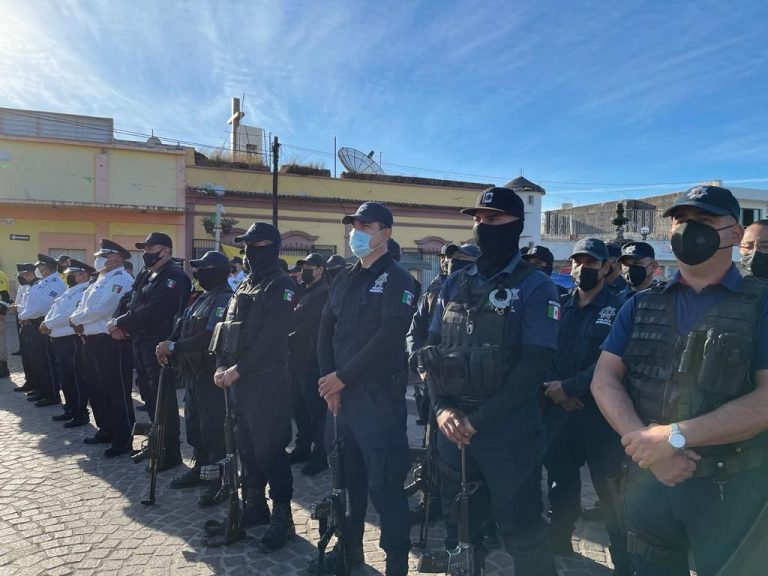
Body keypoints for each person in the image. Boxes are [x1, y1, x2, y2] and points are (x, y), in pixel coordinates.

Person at [592, 185, 768, 575]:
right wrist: (645, 447)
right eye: (681, 220)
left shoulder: (762, 304)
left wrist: (671, 437)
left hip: (731, 491)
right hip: (650, 483)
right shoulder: (639, 304)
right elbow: (604, 380)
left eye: (704, 221)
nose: (689, 229)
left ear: (736, 235)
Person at [425, 186, 560, 575]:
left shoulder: (536, 286)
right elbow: (430, 352)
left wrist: (476, 422)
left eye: (495, 219)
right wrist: (440, 408)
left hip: (508, 434)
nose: (483, 226)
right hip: (453, 432)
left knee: (523, 531)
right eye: (479, 219)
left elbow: (533, 367)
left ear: (516, 226)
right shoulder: (453, 283)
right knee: (461, 531)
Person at [314, 202, 415, 576]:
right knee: (346, 482)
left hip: (378, 402)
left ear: (384, 233)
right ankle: (349, 555)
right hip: (341, 402)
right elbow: (325, 331)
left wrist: (344, 378)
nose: (356, 232)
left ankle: (397, 564)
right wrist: (330, 383)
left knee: (386, 488)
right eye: (353, 225)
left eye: (364, 225)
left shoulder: (400, 279)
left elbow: (389, 337)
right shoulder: (344, 277)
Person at [541, 238, 630, 573]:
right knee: (560, 481)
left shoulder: (620, 307)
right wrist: (554, 387)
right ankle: (559, 539)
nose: (582, 268)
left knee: (611, 491)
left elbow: (613, 361)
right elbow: (542, 347)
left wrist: (570, 386)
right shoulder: (558, 303)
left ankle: (623, 558)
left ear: (607, 267)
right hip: (559, 410)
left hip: (599, 415)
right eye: (577, 261)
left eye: (590, 262)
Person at [213, 222, 297, 551]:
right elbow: (227, 328)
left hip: (267, 382)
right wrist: (221, 364)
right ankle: (255, 506)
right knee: (245, 447)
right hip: (238, 382)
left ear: (271, 247)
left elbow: (273, 339)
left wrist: (238, 369)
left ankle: (282, 516)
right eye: (245, 245)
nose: (247, 251)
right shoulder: (246, 283)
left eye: (254, 244)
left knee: (270, 451)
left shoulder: (282, 285)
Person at [157, 251, 232, 506]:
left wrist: (175, 348)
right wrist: (169, 343)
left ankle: (218, 480)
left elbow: (209, 337)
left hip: (210, 374)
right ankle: (200, 468)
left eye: (203, 269)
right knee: (194, 425)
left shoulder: (224, 299)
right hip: (192, 372)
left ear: (217, 272)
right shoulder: (201, 298)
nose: (197, 273)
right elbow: (183, 328)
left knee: (213, 430)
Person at [110, 232, 190, 468]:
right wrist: (118, 321)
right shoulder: (148, 273)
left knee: (162, 399)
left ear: (164, 250)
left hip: (158, 345)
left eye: (150, 248)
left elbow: (156, 309)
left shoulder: (174, 276)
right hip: (140, 341)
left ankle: (170, 452)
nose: (146, 253)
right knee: (148, 395)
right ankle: (156, 443)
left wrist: (122, 323)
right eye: (144, 249)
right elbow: (129, 299)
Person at [70, 240, 136, 455]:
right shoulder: (101, 279)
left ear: (117, 257)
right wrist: (77, 318)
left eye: (104, 256)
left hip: (110, 342)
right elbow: (84, 305)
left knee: (115, 390)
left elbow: (102, 308)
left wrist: (76, 319)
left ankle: (124, 438)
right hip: (91, 340)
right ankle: (106, 429)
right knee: (96, 388)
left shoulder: (122, 279)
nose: (99, 260)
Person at [287, 253, 330, 476]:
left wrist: (285, 337)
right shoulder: (305, 292)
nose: (304, 271)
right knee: (299, 407)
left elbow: (309, 325)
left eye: (309, 267)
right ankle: (302, 446)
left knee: (316, 410)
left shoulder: (323, 293)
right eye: (303, 267)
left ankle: (320, 453)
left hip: (313, 360)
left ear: (320, 269)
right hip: (297, 358)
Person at [41, 259, 94, 427]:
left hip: (70, 340)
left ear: (83, 275)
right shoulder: (71, 291)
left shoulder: (82, 292)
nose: (68, 276)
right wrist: (47, 323)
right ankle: (70, 408)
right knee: (66, 378)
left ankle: (80, 413)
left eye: (72, 274)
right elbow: (54, 309)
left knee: (75, 378)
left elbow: (70, 315)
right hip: (59, 339)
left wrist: (48, 324)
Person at [18, 254, 66, 407]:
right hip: (34, 321)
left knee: (46, 360)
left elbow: (43, 306)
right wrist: (25, 314)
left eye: (40, 267)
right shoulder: (41, 283)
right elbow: (31, 303)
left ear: (46, 269)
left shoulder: (55, 283)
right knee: (37, 359)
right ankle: (41, 389)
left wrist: (24, 315)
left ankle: (51, 393)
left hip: (44, 322)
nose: (37, 270)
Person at [10, 265, 35, 391]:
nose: (22, 277)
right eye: (20, 275)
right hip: (23, 321)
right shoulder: (24, 287)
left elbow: (31, 306)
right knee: (26, 356)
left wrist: (20, 310)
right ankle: (30, 381)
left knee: (34, 357)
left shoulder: (33, 287)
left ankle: (37, 384)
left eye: (24, 274)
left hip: (30, 322)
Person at [0, 266, 10, 378]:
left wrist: (2, 314)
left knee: (0, 343)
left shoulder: (1, 275)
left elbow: (5, 296)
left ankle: (2, 369)